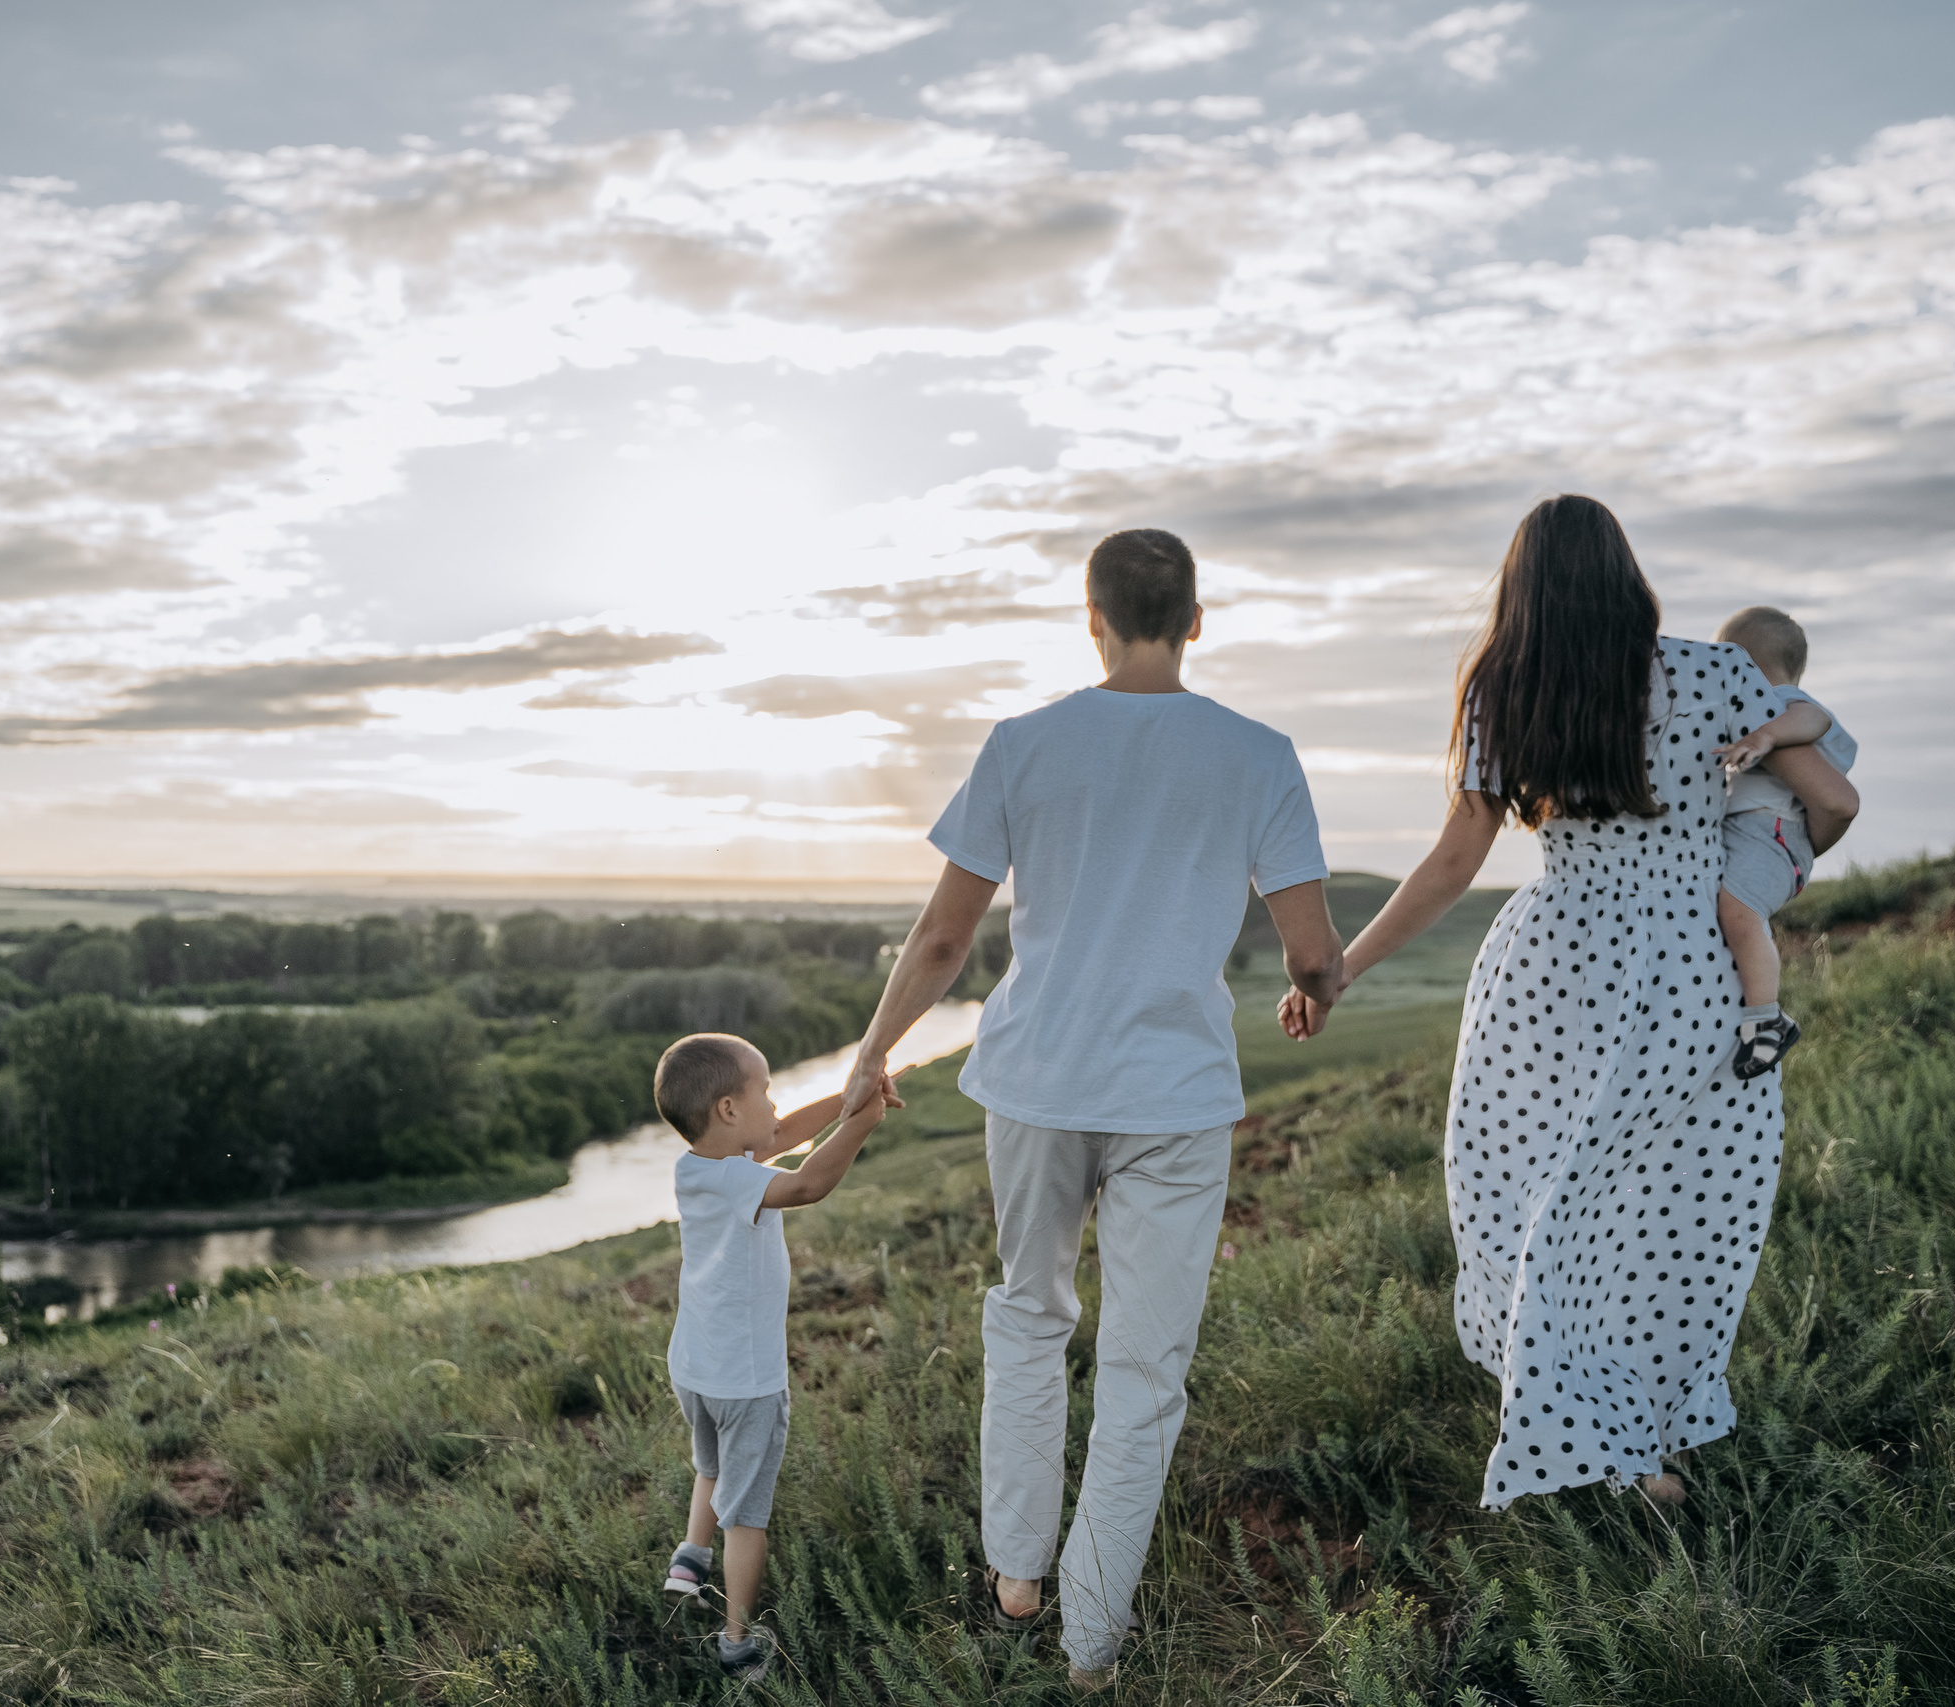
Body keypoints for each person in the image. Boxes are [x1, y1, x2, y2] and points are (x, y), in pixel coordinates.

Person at [838, 527, 1348, 1692]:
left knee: (1028, 1315)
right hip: (1172, 1093)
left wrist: (872, 1053)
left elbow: (945, 937)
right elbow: (1311, 949)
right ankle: (1091, 1643)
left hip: (1034, 1081)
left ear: (1092, 616)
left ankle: (1017, 1577)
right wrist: (1312, 994)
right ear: (1197, 620)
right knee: (1144, 1367)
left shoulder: (1025, 744)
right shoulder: (1258, 753)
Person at [1277, 495, 1857, 1510]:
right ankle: (1629, 1438)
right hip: (1686, 968)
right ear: (1628, 580)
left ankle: (1586, 1420)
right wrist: (1782, 868)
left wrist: (1345, 968)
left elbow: (1454, 862)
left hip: (1554, 967)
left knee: (1530, 1191)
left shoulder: (1504, 692)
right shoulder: (1718, 674)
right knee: (1669, 1206)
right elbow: (1835, 800)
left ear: (1524, 595)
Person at [654, 1030, 899, 1682]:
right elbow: (808, 1182)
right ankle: (736, 1638)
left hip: (695, 1365)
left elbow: (779, 1133)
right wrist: (864, 1122)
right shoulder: (742, 1177)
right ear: (730, 1110)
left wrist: (852, 1092)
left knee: (709, 1463)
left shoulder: (695, 1167)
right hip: (746, 1380)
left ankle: (689, 1555)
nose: (775, 1101)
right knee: (747, 1513)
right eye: (764, 1088)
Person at [1707, 605, 1859, 1079]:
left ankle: (1766, 1019)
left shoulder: (1778, 702)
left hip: (1772, 830)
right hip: (1756, 832)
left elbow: (1811, 716)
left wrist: (1768, 735)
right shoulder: (1751, 707)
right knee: (1730, 912)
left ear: (1741, 661)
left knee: (1738, 911)